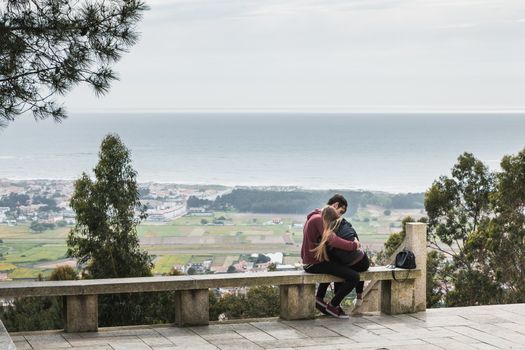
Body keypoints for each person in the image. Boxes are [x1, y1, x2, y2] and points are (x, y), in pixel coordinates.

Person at [301, 194, 363, 319]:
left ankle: (319, 298)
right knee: (354, 277)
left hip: (312, 261)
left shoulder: (315, 216)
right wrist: (353, 245)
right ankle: (333, 306)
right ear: (335, 205)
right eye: (340, 212)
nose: (339, 217)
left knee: (336, 263)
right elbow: (333, 240)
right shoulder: (319, 219)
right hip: (314, 263)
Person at [313, 208, 370, 309]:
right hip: (361, 261)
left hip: (346, 261)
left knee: (336, 265)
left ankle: (324, 298)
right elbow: (357, 242)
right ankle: (357, 296)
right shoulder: (345, 224)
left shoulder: (327, 232)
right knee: (358, 269)